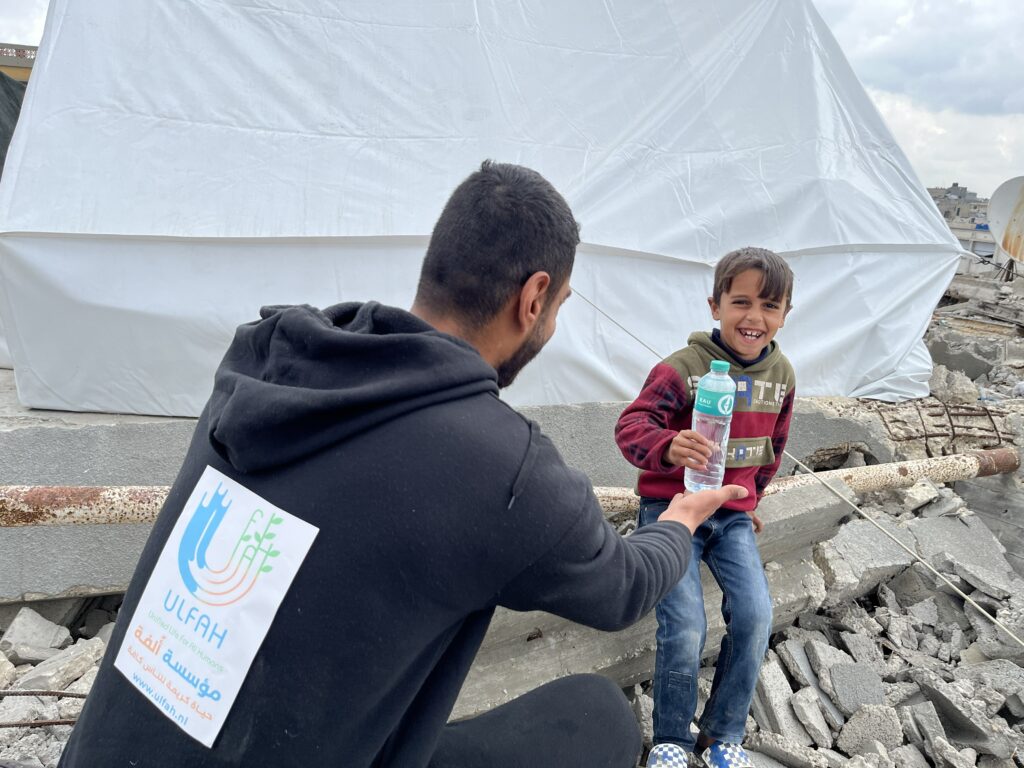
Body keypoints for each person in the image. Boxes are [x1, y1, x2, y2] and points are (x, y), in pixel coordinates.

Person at [58, 161, 745, 768]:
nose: (553, 321)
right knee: (595, 719)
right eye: (559, 306)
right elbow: (623, 589)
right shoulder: (502, 468)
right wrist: (681, 516)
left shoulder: (267, 359)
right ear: (533, 298)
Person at [614, 247, 796, 768]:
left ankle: (722, 736)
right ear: (714, 305)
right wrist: (669, 446)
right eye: (741, 301)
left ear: (785, 315)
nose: (754, 317)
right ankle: (671, 736)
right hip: (673, 510)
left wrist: (753, 498)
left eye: (769, 306)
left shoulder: (781, 375)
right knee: (687, 622)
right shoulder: (684, 369)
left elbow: (774, 446)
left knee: (757, 614)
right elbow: (631, 427)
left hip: (732, 515)